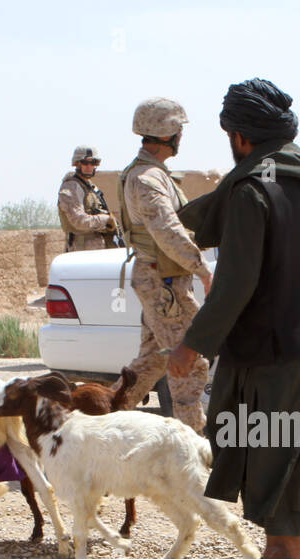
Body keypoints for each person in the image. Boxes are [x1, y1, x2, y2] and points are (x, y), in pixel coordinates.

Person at [169, 78, 300, 559]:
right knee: (257, 436)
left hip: (274, 347)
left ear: (240, 137)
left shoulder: (251, 190)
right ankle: (274, 555)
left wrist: (191, 345)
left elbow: (236, 282)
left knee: (275, 449)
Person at [115, 97, 212, 433]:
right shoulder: (146, 179)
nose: (181, 136)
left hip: (162, 281)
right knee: (191, 362)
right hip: (163, 284)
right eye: (178, 129)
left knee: (151, 362)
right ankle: (194, 443)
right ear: (167, 132)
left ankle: (100, 423)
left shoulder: (153, 174)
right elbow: (167, 231)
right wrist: (202, 268)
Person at [58, 146, 117, 252]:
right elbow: (78, 220)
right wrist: (106, 220)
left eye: (93, 163)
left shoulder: (91, 187)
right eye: (85, 163)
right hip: (81, 249)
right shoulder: (71, 186)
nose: (89, 166)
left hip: (97, 248)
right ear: (77, 164)